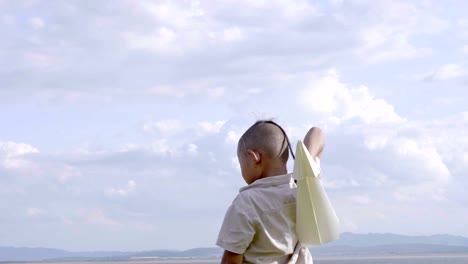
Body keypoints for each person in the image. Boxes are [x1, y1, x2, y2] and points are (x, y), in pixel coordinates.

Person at [216, 120, 325, 264]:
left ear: (254, 157)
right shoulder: (303, 189)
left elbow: (231, 259)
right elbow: (318, 133)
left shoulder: (246, 201)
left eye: (241, 163)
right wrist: (305, 161)